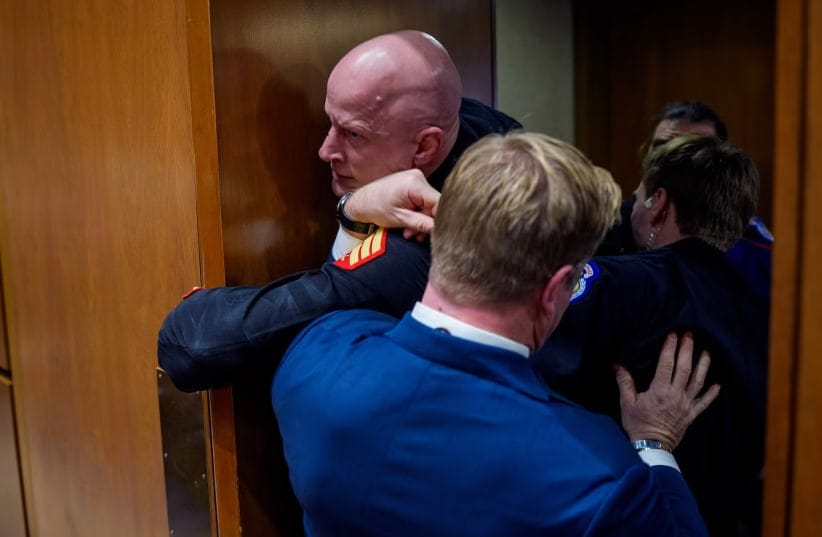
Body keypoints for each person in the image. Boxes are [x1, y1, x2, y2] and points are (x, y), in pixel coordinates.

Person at [272, 131, 718, 536]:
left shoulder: (314, 355)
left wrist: (350, 212)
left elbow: (346, 293)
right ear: (552, 293)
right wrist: (653, 442)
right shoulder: (596, 476)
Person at [158, 30, 520, 392]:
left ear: (426, 146)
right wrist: (353, 205)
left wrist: (354, 215)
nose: (325, 150)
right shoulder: (484, 131)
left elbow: (190, 346)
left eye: (354, 134)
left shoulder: (415, 248)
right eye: (330, 122)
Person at [532, 135, 768, 537]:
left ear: (658, 205)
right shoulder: (765, 312)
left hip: (611, 511)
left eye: (638, 197)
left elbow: (530, 369)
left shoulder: (619, 283)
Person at [596, 100, 773, 298]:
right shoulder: (606, 225)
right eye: (661, 147)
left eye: (694, 150)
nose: (672, 160)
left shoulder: (756, 250)